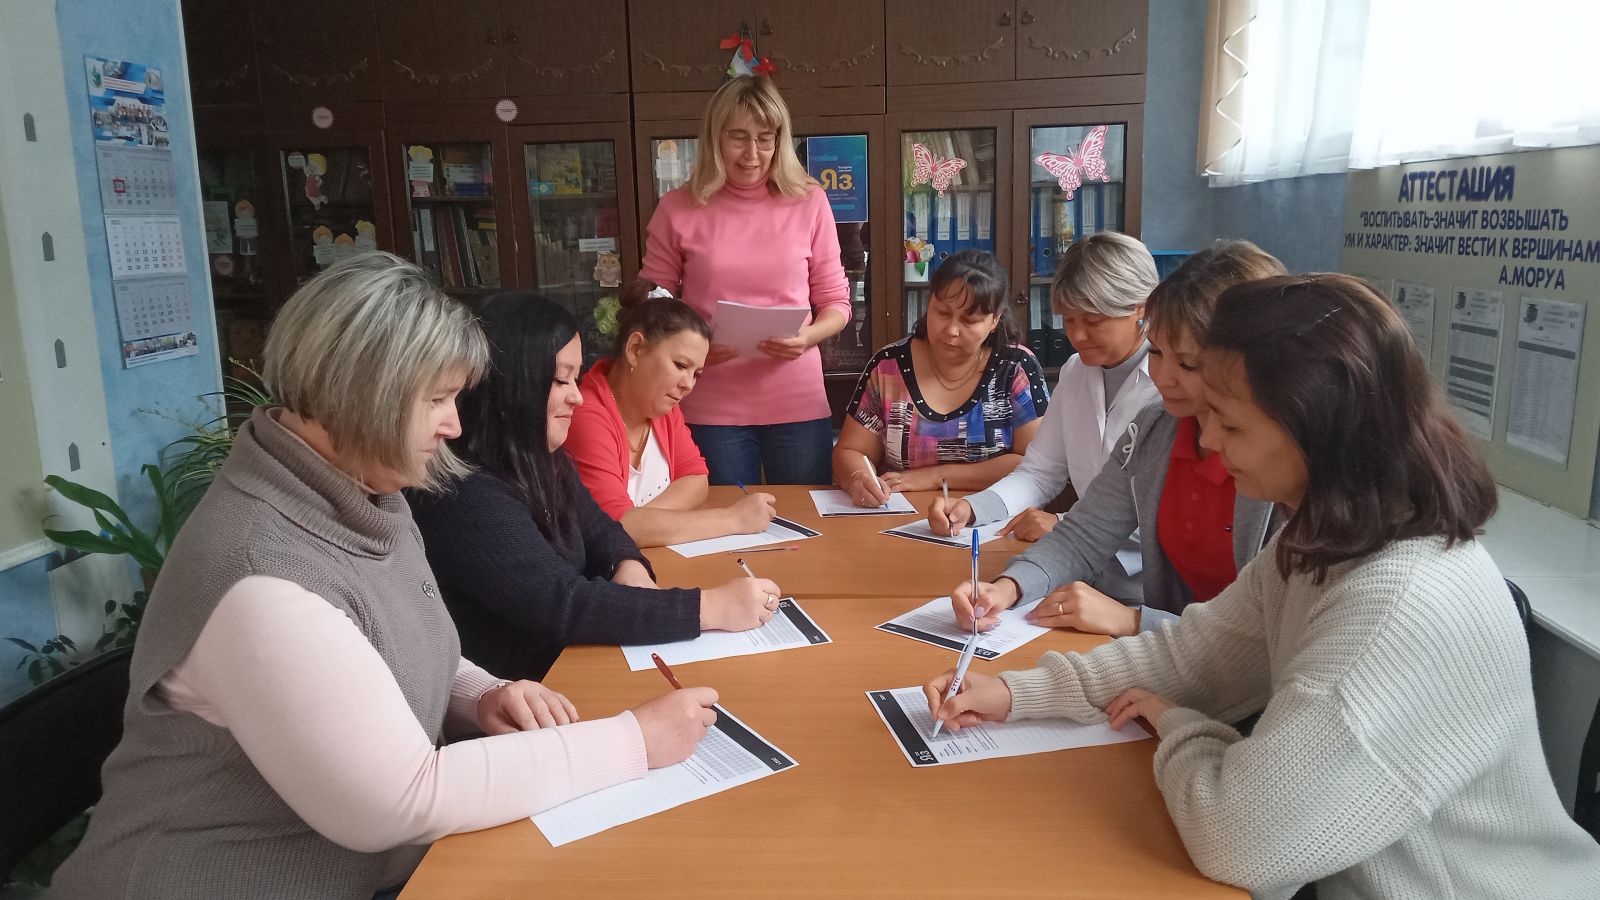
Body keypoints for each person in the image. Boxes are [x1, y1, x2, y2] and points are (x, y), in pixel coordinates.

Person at [52, 254, 718, 900]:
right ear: (362, 395)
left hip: (375, 867)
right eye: (438, 399)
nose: (454, 423)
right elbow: (402, 801)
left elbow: (392, 633)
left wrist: (481, 692)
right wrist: (633, 740)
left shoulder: (365, 490)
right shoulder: (261, 577)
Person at [926, 274, 1600, 898]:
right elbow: (1197, 654)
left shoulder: (1397, 605)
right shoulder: (1322, 541)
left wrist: (1181, 726)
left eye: (1231, 422)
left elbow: (1241, 840)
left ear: (1317, 427)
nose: (1210, 441)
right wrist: (1016, 693)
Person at [408, 292, 784, 683]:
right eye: (560, 380)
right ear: (510, 381)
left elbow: (602, 528)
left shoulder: (545, 457)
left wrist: (628, 565)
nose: (576, 395)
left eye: (576, 377)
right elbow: (561, 603)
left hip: (569, 668)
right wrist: (710, 608)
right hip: (529, 686)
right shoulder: (465, 492)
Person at [947, 241, 1287, 636]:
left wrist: (1135, 621)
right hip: (1164, 640)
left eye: (1187, 363)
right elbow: (1084, 533)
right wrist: (1007, 587)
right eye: (1156, 352)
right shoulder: (1157, 426)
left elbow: (1265, 638)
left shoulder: (1285, 465)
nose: (1164, 377)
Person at [639, 75, 850, 486]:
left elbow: (836, 303)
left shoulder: (810, 201)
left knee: (805, 516)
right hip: (710, 402)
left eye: (765, 139)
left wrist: (806, 338)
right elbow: (652, 303)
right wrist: (694, 345)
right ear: (714, 137)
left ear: (780, 141)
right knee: (724, 516)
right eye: (738, 137)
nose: (753, 154)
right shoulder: (678, 207)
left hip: (797, 400)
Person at [929, 232, 1162, 599]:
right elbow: (1040, 472)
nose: (1077, 335)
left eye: (1093, 320)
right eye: (1068, 320)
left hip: (1151, 589)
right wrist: (972, 508)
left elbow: (1166, 513)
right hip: (1083, 574)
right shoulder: (1076, 371)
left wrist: (1064, 524)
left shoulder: (1172, 386)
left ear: (1141, 309)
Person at [566, 283, 779, 548]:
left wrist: (643, 522)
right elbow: (616, 527)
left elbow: (696, 479)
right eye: (680, 365)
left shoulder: (662, 408)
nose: (688, 384)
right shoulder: (585, 414)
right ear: (635, 349)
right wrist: (733, 519)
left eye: (696, 374)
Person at [833, 249, 1048, 504]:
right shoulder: (890, 366)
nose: (952, 330)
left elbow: (1033, 464)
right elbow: (851, 450)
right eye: (942, 313)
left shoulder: (1014, 369)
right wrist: (858, 478)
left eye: (970, 320)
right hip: (897, 514)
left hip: (991, 514)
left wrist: (934, 477)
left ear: (994, 321)